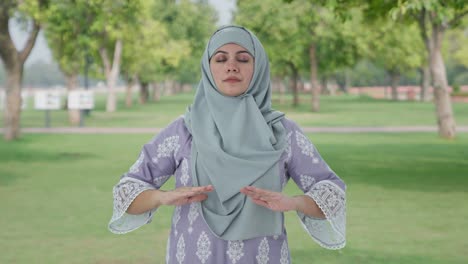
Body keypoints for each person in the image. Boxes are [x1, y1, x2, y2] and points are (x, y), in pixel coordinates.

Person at [109, 25, 346, 263]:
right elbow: (127, 195)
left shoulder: (282, 133)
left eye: (243, 59)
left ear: (259, 67)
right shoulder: (184, 131)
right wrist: (162, 197)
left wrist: (293, 202)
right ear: (208, 68)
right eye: (221, 59)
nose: (231, 66)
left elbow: (331, 192)